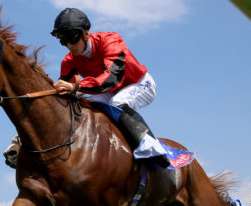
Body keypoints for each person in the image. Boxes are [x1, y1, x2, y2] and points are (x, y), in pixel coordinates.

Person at [49, 8, 170, 165]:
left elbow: (111, 79)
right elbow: (64, 92)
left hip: (139, 83)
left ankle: (152, 147)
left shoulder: (111, 40)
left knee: (117, 102)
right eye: (63, 40)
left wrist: (75, 86)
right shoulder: (69, 61)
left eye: (72, 37)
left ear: (86, 32)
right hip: (110, 91)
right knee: (89, 108)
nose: (69, 45)